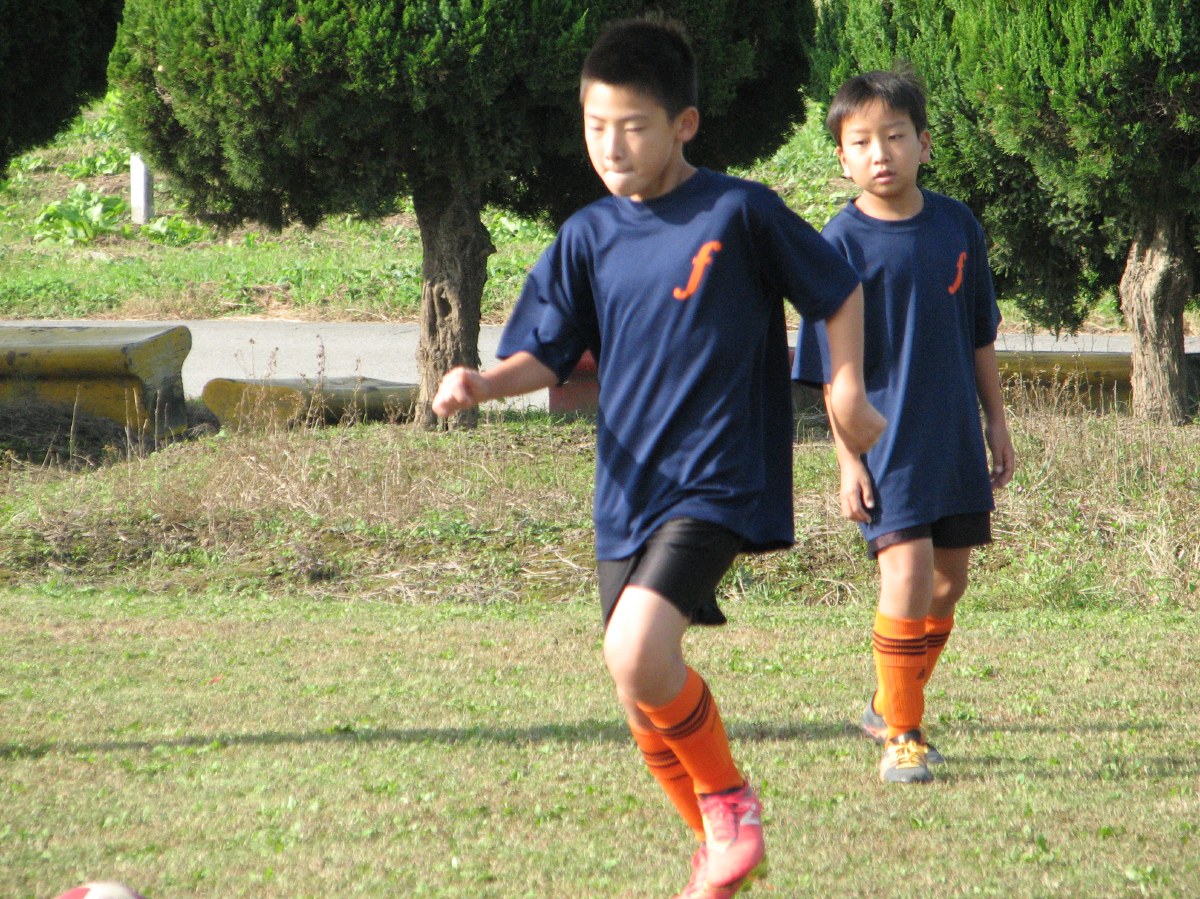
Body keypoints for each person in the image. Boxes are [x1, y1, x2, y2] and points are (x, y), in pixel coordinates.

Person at [433, 17, 884, 897]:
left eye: (633, 126)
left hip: (717, 475)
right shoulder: (588, 234)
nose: (611, 146)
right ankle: (716, 848)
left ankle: (731, 804)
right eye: (595, 126)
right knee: (635, 689)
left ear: (684, 124)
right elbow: (546, 354)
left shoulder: (738, 211)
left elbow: (837, 290)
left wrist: (847, 391)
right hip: (626, 488)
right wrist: (484, 382)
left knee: (639, 652)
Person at [793, 69, 1016, 785]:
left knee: (948, 584)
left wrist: (997, 422)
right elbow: (832, 369)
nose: (880, 153)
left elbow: (980, 334)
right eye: (861, 142)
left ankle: (887, 702)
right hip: (883, 443)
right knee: (909, 571)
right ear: (842, 157)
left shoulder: (957, 226)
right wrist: (847, 459)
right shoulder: (839, 243)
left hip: (950, 435)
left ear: (923, 143)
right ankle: (904, 736)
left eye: (894, 136)